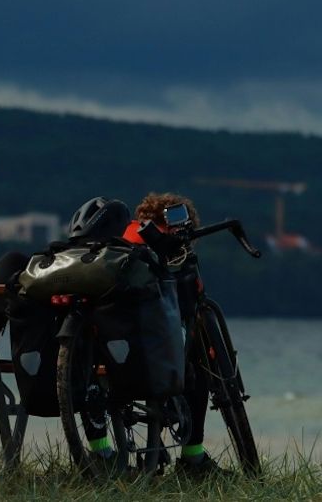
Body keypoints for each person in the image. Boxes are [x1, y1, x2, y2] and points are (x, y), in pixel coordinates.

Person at [123, 192, 227, 478]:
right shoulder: (161, 253)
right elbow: (189, 304)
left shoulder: (120, 242)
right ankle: (192, 459)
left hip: (111, 358)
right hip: (150, 363)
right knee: (199, 366)